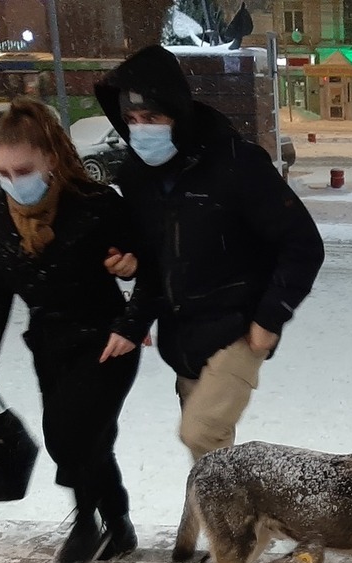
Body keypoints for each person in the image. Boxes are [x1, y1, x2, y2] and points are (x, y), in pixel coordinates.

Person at [94, 45, 324, 462]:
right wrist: (132, 316)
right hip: (183, 340)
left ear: (178, 115)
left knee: (201, 433)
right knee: (212, 467)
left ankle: (251, 523)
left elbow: (303, 244)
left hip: (238, 331)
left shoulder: (237, 164)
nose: (140, 129)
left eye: (152, 118)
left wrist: (270, 317)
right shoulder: (137, 177)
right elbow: (154, 262)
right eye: (131, 119)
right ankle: (227, 527)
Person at [0, 98, 153, 563]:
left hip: (107, 340)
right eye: (2, 172)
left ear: (50, 158)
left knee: (66, 434)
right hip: (49, 345)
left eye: (23, 169)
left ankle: (88, 522)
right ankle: (117, 522)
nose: (13, 182)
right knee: (88, 439)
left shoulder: (96, 205)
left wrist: (131, 273)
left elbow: (150, 264)